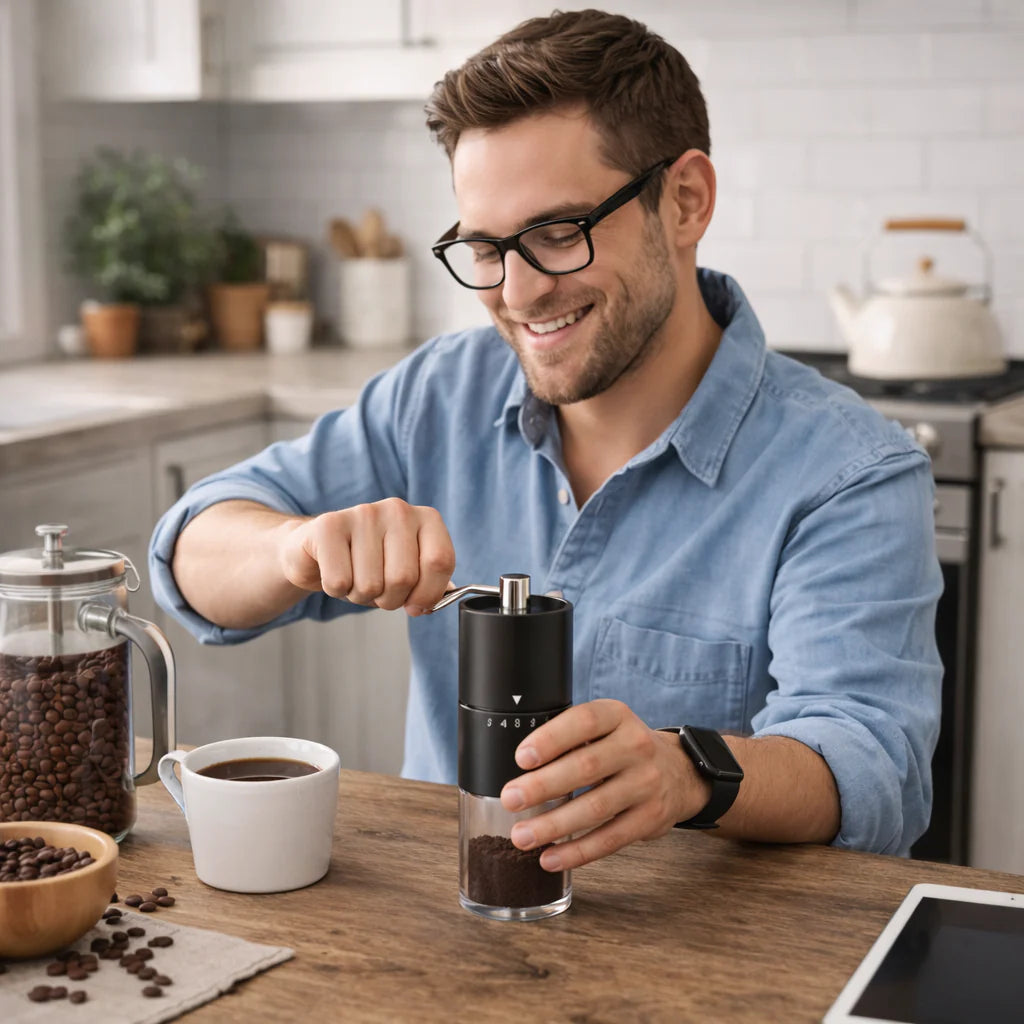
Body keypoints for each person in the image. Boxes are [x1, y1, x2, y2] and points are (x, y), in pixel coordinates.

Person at [149, 9, 942, 872]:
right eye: (483, 247)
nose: (518, 292)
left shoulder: (850, 470)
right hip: (449, 938)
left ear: (685, 201)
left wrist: (690, 773)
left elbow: (873, 768)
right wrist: (296, 545)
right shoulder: (437, 396)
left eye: (560, 233)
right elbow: (191, 556)